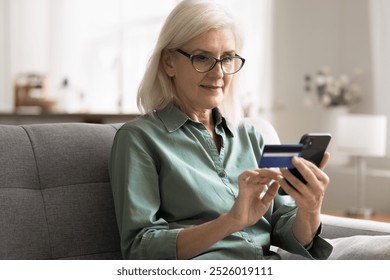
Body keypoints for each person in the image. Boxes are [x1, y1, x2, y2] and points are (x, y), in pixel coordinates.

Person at [109, 0, 333, 260]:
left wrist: (310, 208)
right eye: (202, 58)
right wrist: (230, 221)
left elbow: (286, 229)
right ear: (169, 62)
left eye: (227, 58)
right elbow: (140, 249)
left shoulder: (252, 136)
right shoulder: (138, 139)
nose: (218, 74)